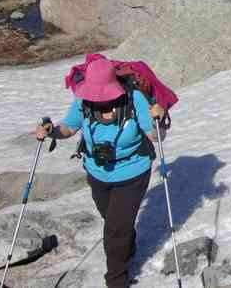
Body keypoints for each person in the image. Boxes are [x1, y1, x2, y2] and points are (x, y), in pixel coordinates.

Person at [34, 58, 166, 288]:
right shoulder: (82, 100)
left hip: (132, 172)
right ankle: (128, 243)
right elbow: (69, 128)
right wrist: (51, 131)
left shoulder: (134, 98)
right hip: (97, 172)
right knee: (113, 220)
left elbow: (155, 137)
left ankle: (116, 280)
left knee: (115, 229)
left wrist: (159, 119)